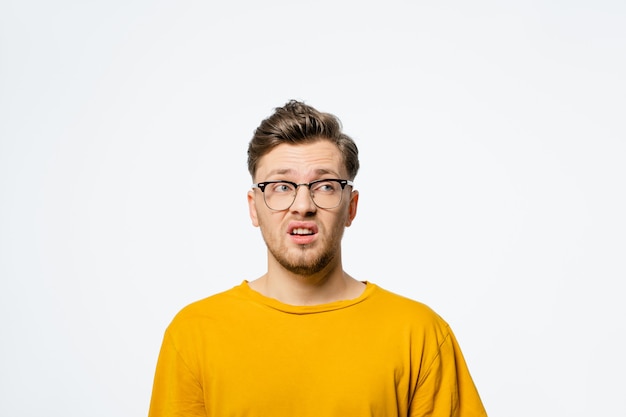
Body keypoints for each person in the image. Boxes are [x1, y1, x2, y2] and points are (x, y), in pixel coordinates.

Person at [148, 100, 488, 417]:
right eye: (281, 186)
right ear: (254, 207)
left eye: (324, 186)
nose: (303, 205)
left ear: (350, 207)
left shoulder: (419, 334)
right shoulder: (194, 334)